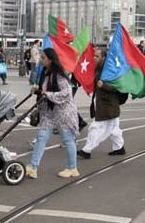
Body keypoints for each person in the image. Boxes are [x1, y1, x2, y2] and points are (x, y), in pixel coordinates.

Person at [26, 48, 80, 179]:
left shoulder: (59, 75)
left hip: (63, 113)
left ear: (50, 60)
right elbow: (47, 92)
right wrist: (39, 91)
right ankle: (33, 167)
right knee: (41, 137)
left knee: (68, 140)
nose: (41, 60)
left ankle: (72, 168)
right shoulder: (47, 73)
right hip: (50, 113)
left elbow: (66, 93)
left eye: (43, 58)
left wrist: (47, 94)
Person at [77, 47, 126, 159]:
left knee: (96, 127)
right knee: (114, 129)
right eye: (94, 55)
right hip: (104, 104)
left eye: (97, 56)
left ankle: (87, 150)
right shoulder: (99, 69)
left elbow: (118, 87)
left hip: (108, 106)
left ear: (104, 57)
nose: (94, 58)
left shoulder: (110, 70)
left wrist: (103, 86)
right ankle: (120, 148)